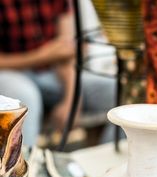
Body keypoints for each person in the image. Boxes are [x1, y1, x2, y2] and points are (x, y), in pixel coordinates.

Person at [0, 0, 115, 146]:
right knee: (24, 97)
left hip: (53, 72)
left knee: (120, 92)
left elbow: (65, 52)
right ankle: (23, 166)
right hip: (9, 72)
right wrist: (42, 56)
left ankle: (109, 163)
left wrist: (72, 100)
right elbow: (56, 52)